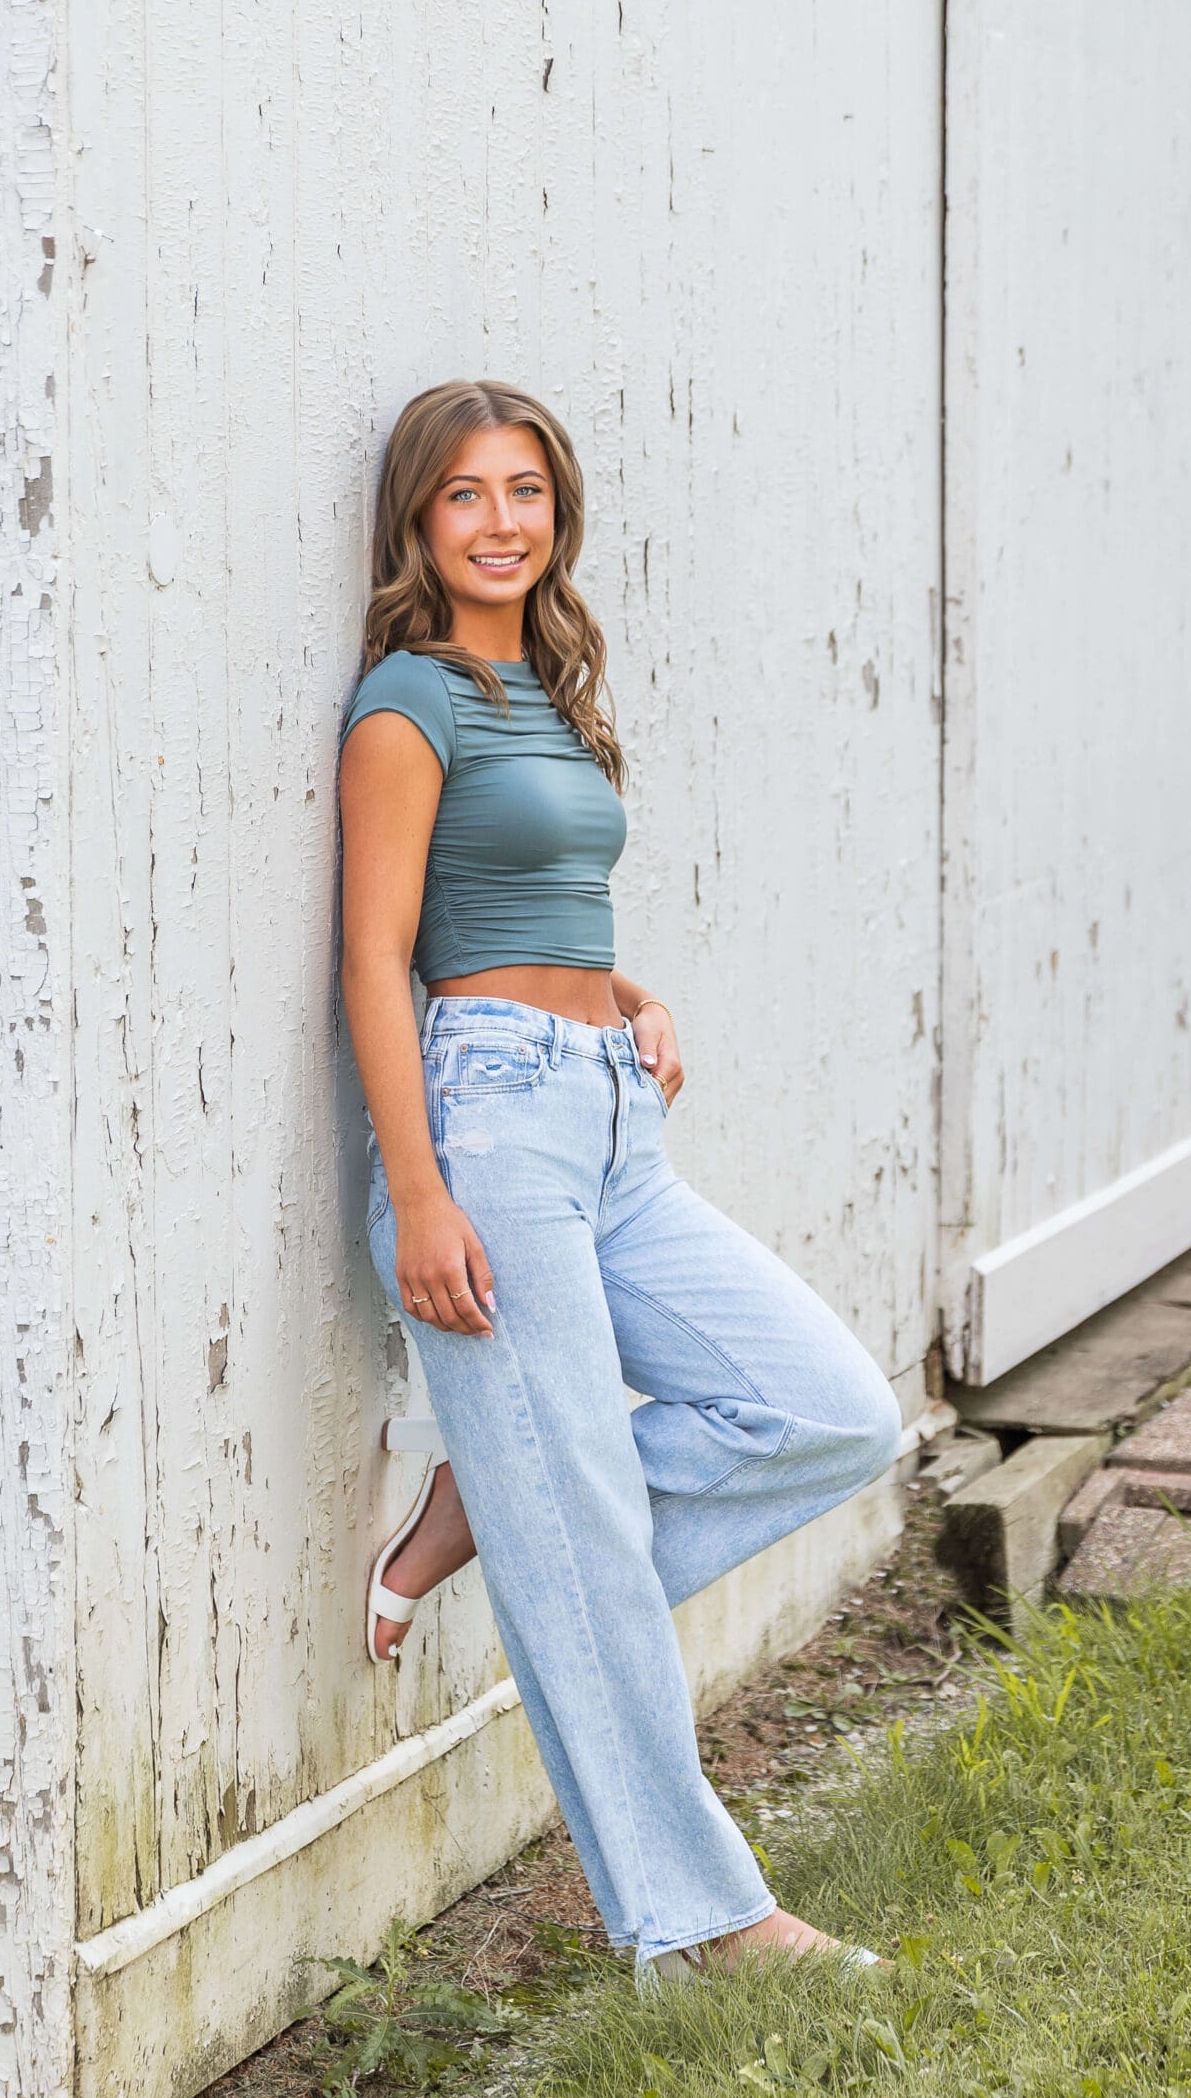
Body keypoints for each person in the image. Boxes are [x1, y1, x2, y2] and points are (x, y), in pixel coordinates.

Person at [338, 377, 900, 1985]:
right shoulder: (408, 702)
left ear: (558, 514)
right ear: (419, 523)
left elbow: (530, 904)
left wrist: (627, 995)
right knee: (575, 1542)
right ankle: (705, 1926)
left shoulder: (550, 692)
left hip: (605, 1119)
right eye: (466, 496)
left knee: (827, 1409)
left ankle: (492, 1504)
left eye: (526, 492)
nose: (502, 522)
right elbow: (381, 964)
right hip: (488, 1130)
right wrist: (422, 1192)